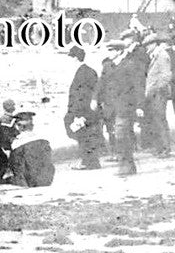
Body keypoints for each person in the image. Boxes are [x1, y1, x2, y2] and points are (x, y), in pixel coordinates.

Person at [103, 37, 147, 175]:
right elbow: (101, 83)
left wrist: (140, 106)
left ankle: (125, 166)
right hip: (111, 107)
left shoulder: (130, 64)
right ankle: (129, 165)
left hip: (125, 106)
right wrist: (94, 99)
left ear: (119, 51)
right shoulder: (108, 65)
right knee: (121, 135)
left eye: (111, 50)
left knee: (121, 135)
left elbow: (138, 86)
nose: (109, 53)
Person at [65, 46, 104, 171]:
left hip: (83, 111)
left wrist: (77, 114)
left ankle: (89, 162)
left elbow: (82, 95)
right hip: (86, 110)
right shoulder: (87, 71)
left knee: (84, 135)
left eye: (70, 58)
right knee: (87, 135)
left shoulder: (83, 72)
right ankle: (91, 161)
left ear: (75, 58)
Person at [142, 33, 172, 156]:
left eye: (148, 45)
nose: (147, 47)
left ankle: (165, 148)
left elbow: (166, 75)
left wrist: (157, 89)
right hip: (154, 94)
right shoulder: (155, 55)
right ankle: (161, 147)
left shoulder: (161, 55)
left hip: (159, 93)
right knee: (156, 120)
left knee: (160, 120)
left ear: (154, 44)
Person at [7, 109, 54, 187]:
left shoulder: (17, 144)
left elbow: (16, 167)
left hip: (29, 181)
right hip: (47, 179)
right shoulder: (43, 141)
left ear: (19, 127)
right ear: (32, 126)